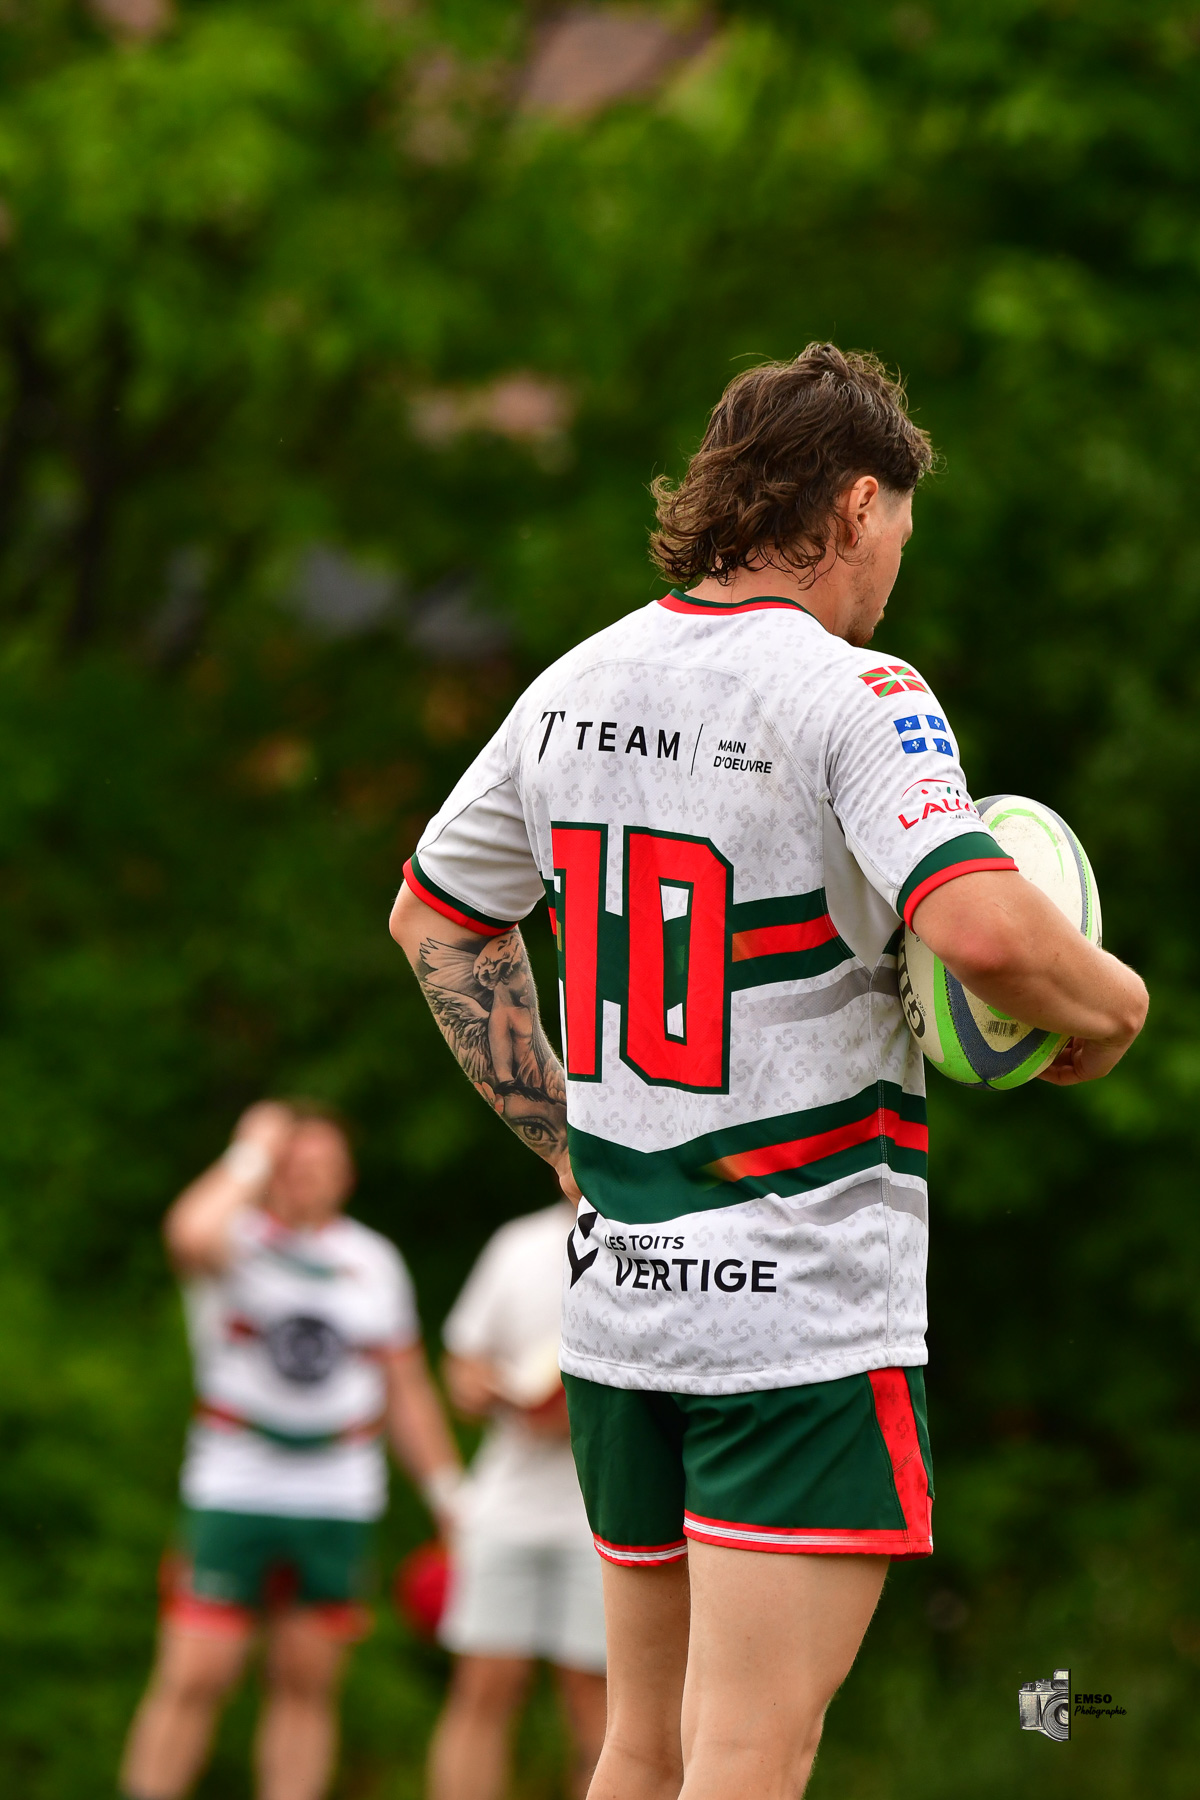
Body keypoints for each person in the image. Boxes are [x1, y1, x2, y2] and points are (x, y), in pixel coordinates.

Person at [389, 344, 1148, 1800]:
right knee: (747, 1753)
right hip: (794, 1321)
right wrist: (1111, 1008)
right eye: (900, 539)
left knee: (640, 1745)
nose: (894, 578)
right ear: (857, 505)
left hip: (621, 1309)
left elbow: (435, 913)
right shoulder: (858, 691)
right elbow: (983, 928)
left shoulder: (574, 683)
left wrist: (561, 1137)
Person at [121, 1099, 463, 1800]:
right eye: (296, 1162)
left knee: (307, 1685)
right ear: (270, 1169)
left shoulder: (372, 1260)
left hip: (337, 1492)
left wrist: (448, 1498)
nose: (311, 1177)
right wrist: (250, 1148)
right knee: (195, 1676)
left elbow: (407, 1391)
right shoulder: (236, 1238)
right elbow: (187, 1232)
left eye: (327, 1165)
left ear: (348, 1176)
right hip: (234, 1482)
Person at [428, 1192, 607, 1800]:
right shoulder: (518, 1244)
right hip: (508, 1500)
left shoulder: (666, 1237)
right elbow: (461, 1362)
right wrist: (485, 1390)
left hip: (604, 1509)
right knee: (485, 1683)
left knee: (599, 1699)